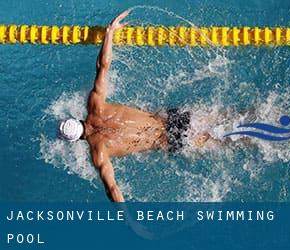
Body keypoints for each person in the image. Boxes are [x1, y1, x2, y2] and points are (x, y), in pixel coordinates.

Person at [58, 11, 210, 202]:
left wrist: (129, 221)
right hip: (172, 118)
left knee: (228, 141)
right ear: (76, 119)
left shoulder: (99, 152)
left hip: (171, 140)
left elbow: (112, 189)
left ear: (76, 140)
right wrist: (109, 33)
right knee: (226, 118)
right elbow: (103, 66)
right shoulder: (95, 105)